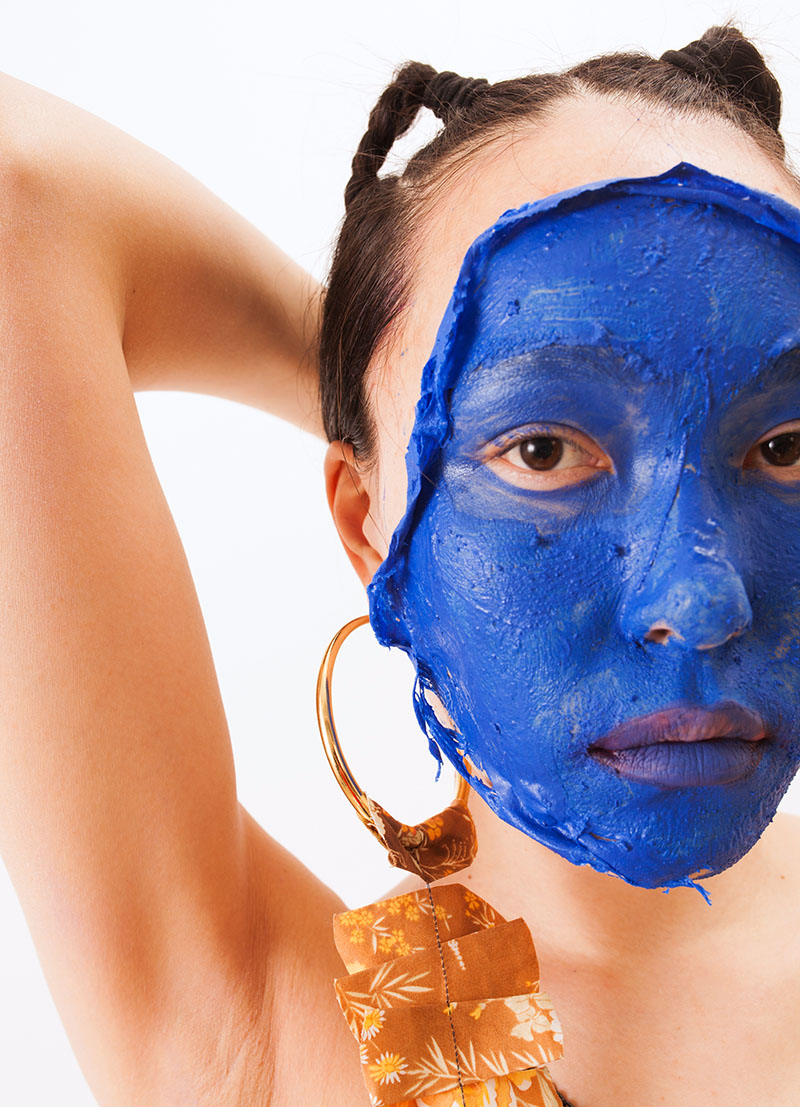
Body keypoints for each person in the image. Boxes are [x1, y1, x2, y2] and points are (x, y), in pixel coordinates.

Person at [0, 18, 798, 1107]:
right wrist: (391, 420)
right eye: (542, 450)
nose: (701, 599)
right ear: (365, 527)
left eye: (784, 445)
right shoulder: (281, 1031)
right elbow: (18, 195)